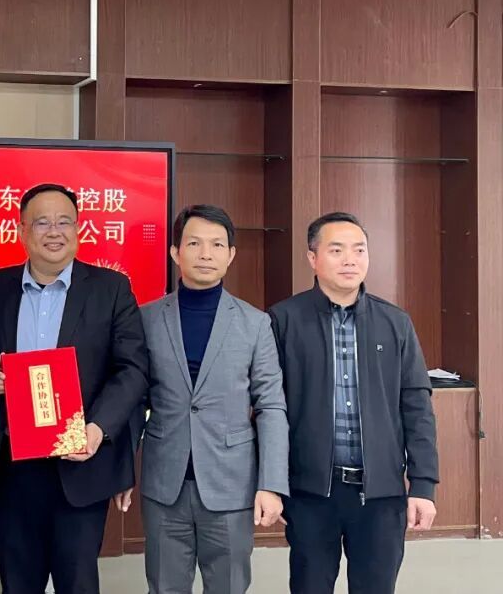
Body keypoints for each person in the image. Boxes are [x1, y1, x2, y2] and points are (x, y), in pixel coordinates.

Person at [0, 183, 149, 594]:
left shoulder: (110, 288)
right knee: (18, 582)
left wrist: (98, 428)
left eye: (64, 222)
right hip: (11, 463)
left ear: (78, 228)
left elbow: (132, 369)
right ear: (22, 230)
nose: (54, 231)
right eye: (42, 222)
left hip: (80, 461)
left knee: (78, 581)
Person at [268, 212, 439, 594]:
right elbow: (268, 409)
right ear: (313, 258)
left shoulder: (395, 322)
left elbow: (417, 408)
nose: (350, 259)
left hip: (380, 494)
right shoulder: (283, 320)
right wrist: (271, 483)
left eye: (359, 250)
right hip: (311, 493)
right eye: (337, 250)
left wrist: (423, 485)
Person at [129, 204, 288, 594]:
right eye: (194, 243)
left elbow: (271, 406)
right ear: (175, 252)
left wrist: (271, 483)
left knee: (228, 587)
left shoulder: (255, 323)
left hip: (231, 483)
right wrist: (120, 472)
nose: (205, 254)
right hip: (165, 482)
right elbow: (132, 398)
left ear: (231, 254)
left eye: (217, 245)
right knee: (164, 587)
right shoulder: (147, 318)